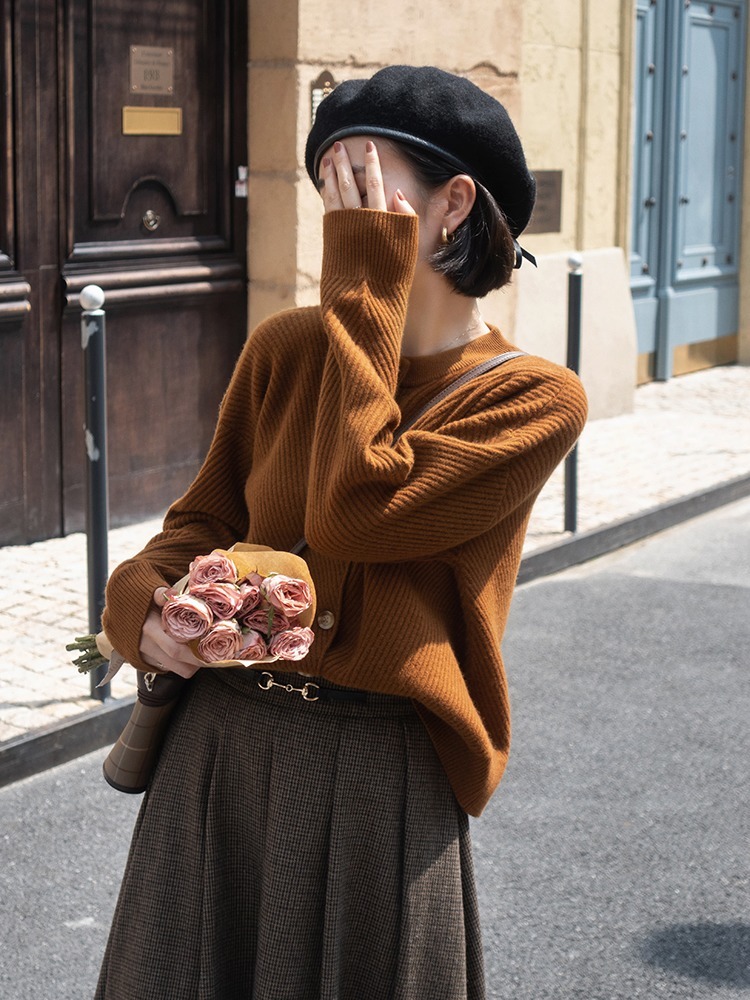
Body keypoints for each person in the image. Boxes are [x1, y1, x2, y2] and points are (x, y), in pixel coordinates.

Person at [94, 65, 587, 999]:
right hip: (220, 754)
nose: (338, 211)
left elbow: (359, 511)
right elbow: (198, 523)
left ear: (454, 204)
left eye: (364, 181)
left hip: (378, 775)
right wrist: (144, 610)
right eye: (328, 185)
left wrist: (365, 278)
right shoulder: (284, 349)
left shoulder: (535, 399)